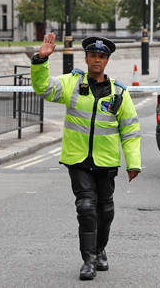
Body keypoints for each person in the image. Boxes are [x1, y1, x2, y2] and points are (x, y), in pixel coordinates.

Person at [31, 33, 141, 281]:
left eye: (102, 56)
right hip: (78, 160)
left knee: (106, 210)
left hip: (106, 162)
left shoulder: (119, 94)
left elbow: (131, 131)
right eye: (93, 56)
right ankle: (88, 260)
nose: (97, 60)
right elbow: (43, 88)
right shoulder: (72, 84)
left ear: (107, 60)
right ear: (87, 57)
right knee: (86, 208)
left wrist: (133, 163)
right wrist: (41, 60)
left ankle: (101, 249)